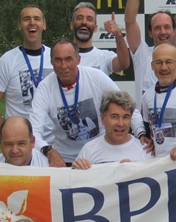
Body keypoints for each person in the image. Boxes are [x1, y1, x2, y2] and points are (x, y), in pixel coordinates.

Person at [30, 39, 146, 167]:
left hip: (97, 155)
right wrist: (49, 151)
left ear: (78, 59)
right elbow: (34, 130)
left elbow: (126, 107)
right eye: (58, 60)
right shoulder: (45, 87)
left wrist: (141, 134)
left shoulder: (96, 77)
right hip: (62, 159)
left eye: (68, 59)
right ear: (51, 61)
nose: (63, 65)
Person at [0, 5, 52, 134]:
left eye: (37, 18)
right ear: (20, 25)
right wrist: (8, 136)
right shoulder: (7, 61)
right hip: (21, 141)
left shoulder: (56, 57)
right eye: (26, 19)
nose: (32, 22)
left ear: (44, 25)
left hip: (53, 141)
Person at [123, 0, 176, 97]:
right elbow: (130, 21)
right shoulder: (143, 55)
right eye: (157, 28)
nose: (163, 32)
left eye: (167, 27)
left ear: (174, 31)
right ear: (150, 32)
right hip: (145, 112)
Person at [72, 91, 153, 168]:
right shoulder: (88, 150)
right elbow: (76, 176)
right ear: (102, 119)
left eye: (125, 117)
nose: (120, 123)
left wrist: (133, 172)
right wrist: (78, 168)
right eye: (114, 117)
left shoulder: (145, 150)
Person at [71, 2, 130, 75]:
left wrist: (118, 34)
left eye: (89, 19)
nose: (84, 22)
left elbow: (124, 64)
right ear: (72, 25)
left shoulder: (104, 57)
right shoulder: (60, 56)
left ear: (95, 28)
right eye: (79, 18)